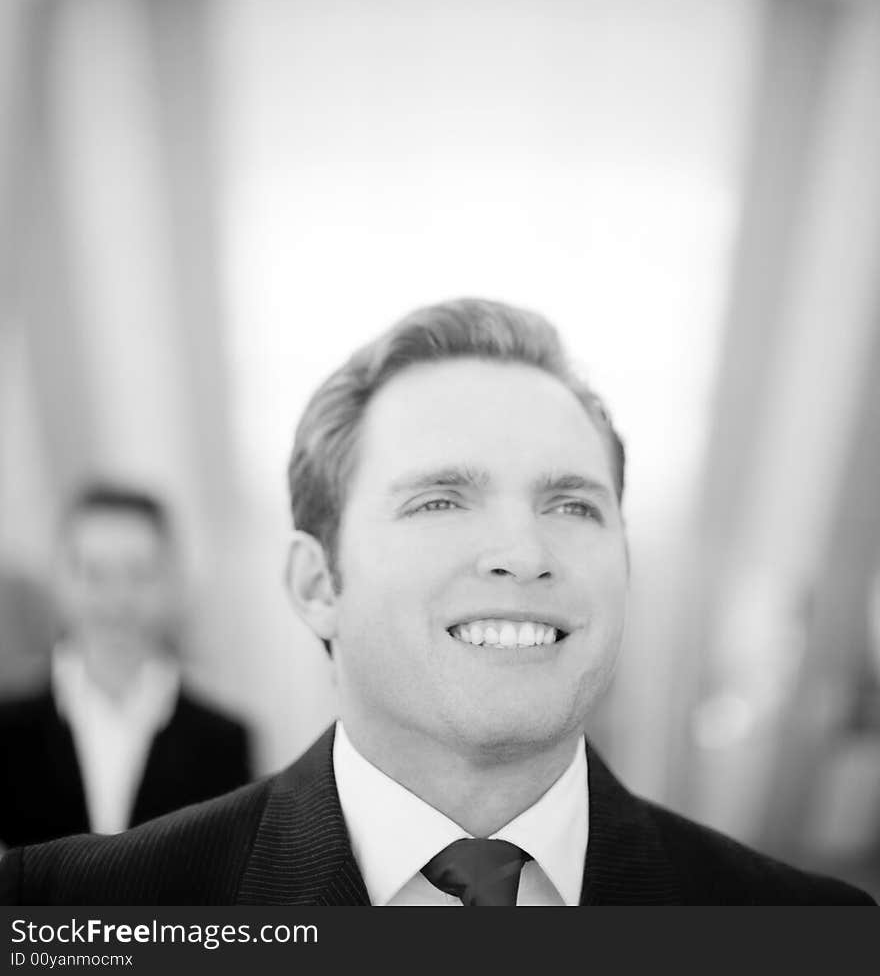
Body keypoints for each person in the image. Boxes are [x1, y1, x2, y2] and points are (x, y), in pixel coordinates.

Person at [0, 300, 873, 904]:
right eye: (440, 500)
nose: (524, 554)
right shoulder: (58, 913)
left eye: (572, 505)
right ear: (316, 584)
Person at [0, 484, 251, 851]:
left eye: (139, 574)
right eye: (94, 574)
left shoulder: (225, 742)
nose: (117, 599)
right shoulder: (7, 731)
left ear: (172, 582)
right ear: (59, 580)